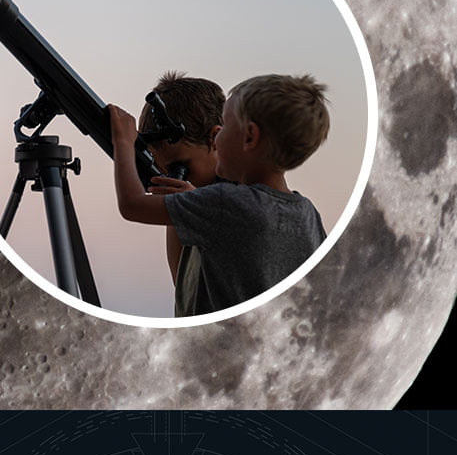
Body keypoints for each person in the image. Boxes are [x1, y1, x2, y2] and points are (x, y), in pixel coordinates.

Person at [108, 74, 330, 317]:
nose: (218, 135)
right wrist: (187, 206)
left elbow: (132, 205)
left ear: (249, 137)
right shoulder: (308, 214)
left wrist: (123, 143)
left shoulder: (227, 204)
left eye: (225, 125)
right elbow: (185, 290)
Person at [137, 71, 225, 288]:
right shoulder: (190, 201)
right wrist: (178, 210)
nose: (174, 178)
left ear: (215, 138)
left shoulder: (244, 198)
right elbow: (183, 287)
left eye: (180, 168)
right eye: (164, 170)